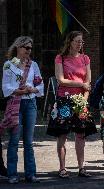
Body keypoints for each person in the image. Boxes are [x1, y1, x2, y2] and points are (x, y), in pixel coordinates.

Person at [0, 36, 44, 183]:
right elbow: (5, 87)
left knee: (29, 141)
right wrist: (20, 90)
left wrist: (32, 89)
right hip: (15, 104)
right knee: (14, 140)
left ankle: (30, 174)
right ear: (18, 47)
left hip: (30, 104)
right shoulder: (9, 65)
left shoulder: (33, 65)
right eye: (26, 48)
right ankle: (12, 174)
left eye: (31, 48)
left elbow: (40, 85)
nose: (29, 51)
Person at [53, 31, 92, 178]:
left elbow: (88, 82)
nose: (80, 44)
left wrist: (84, 100)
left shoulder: (85, 58)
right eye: (77, 41)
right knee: (62, 134)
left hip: (81, 100)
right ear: (70, 42)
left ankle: (81, 168)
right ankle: (62, 168)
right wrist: (80, 83)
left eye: (81, 41)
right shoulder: (60, 58)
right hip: (65, 100)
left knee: (81, 134)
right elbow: (61, 80)